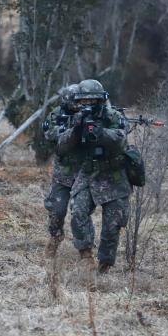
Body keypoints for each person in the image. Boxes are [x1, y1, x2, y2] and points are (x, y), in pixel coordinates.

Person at [56, 79, 131, 280]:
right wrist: (76, 131)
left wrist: (101, 133)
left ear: (101, 100)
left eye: (92, 100)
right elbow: (61, 145)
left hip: (113, 175)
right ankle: (86, 255)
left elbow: (122, 139)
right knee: (78, 211)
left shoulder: (113, 116)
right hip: (88, 174)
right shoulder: (75, 118)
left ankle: (105, 264)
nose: (87, 105)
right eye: (83, 101)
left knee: (112, 223)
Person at [42, 83, 80, 258]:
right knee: (56, 209)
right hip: (63, 173)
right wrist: (70, 130)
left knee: (81, 212)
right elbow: (49, 134)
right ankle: (55, 237)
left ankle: (85, 250)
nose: (78, 104)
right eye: (74, 101)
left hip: (84, 173)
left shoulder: (90, 113)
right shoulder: (57, 114)